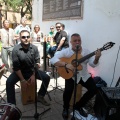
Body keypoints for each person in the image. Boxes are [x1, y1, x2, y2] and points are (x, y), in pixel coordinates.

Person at [50, 33, 101, 119]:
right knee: (68, 91)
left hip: (84, 75)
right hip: (71, 75)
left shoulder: (86, 51)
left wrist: (97, 58)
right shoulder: (66, 51)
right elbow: (53, 60)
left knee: (93, 90)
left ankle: (78, 106)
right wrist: (66, 64)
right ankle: (65, 108)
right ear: (71, 42)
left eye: (79, 40)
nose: (77, 42)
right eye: (75, 41)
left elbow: (93, 64)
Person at [6, 30, 50, 106]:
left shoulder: (34, 48)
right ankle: (12, 106)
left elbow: (37, 62)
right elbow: (16, 67)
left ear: (30, 38)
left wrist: (33, 75)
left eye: (27, 37)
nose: (26, 38)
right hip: (20, 72)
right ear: (20, 38)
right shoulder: (15, 50)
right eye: (23, 37)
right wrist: (22, 80)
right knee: (9, 82)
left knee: (46, 77)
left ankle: (40, 96)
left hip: (32, 71)